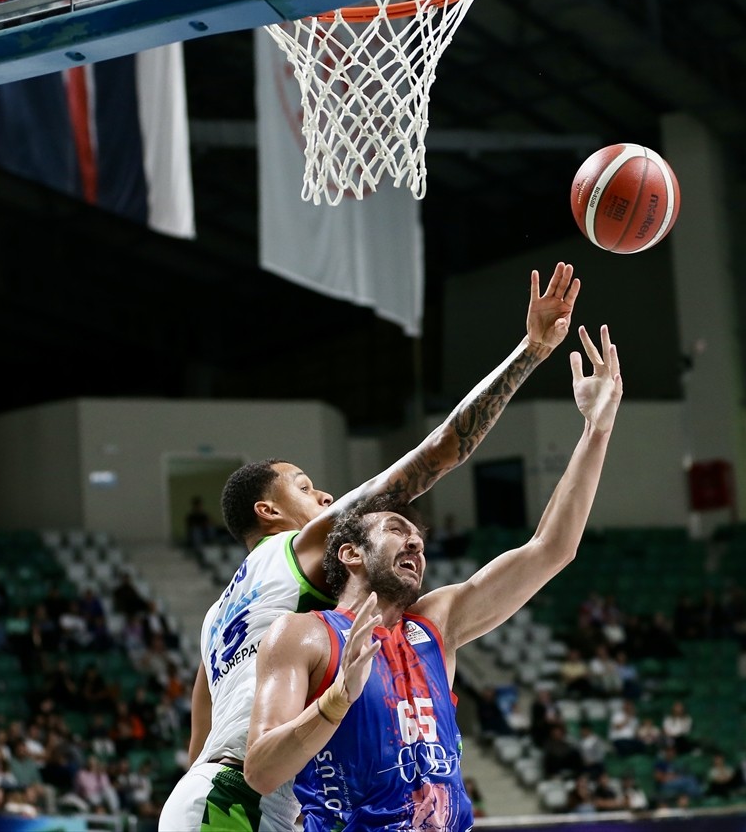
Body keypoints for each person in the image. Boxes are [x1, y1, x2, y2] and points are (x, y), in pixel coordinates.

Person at [159, 264, 584, 831]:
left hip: (209, 795)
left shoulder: (220, 617)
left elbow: (199, 743)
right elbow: (438, 453)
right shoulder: (301, 545)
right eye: (306, 488)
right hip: (250, 795)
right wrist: (531, 352)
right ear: (270, 512)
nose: (327, 496)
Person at [242, 324, 621, 830]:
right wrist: (337, 700)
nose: (416, 542)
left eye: (418, 537)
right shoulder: (303, 634)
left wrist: (597, 430)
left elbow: (551, 549)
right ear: (352, 553)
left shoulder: (435, 623)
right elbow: (262, 771)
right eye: (397, 529)